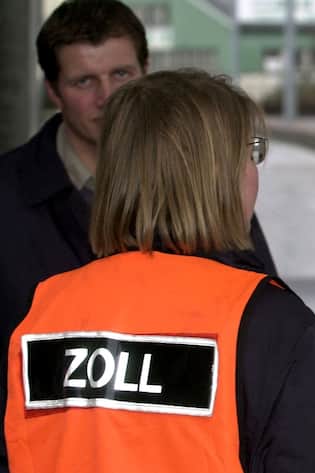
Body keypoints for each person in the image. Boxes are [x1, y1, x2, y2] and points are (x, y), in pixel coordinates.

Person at [3, 69, 315, 472]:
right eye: (249, 153)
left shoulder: (44, 311)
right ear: (216, 177)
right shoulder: (268, 325)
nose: (254, 172)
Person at [0, 0, 277, 362]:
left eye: (121, 75)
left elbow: (258, 311)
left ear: (146, 71)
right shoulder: (6, 195)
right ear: (53, 91)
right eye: (84, 81)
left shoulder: (203, 180)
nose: (108, 97)